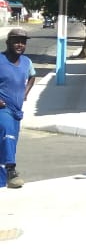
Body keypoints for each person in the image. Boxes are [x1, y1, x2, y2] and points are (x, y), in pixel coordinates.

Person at [0, 27, 36, 187]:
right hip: (2, 109)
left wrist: (25, 93)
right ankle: (11, 170)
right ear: (8, 42)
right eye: (16, 42)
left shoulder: (27, 62)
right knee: (7, 133)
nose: (20, 45)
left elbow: (32, 76)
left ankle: (3, 179)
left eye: (23, 42)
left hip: (17, 110)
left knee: (10, 142)